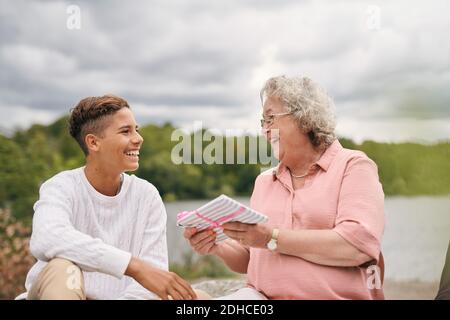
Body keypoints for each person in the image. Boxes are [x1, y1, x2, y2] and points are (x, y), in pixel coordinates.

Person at [184, 76, 385, 299]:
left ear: (305, 118)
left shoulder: (353, 166)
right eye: (263, 122)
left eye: (271, 118)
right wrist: (216, 246)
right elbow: (251, 258)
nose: (265, 130)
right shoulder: (264, 182)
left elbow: (356, 246)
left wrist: (271, 238)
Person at [17, 95, 197, 300]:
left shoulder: (146, 195)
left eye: (136, 129)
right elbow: (47, 237)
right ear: (93, 142)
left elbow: (152, 282)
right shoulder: (61, 186)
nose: (138, 138)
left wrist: (143, 272)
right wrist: (133, 266)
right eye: (125, 131)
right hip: (54, 293)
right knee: (63, 267)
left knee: (198, 298)